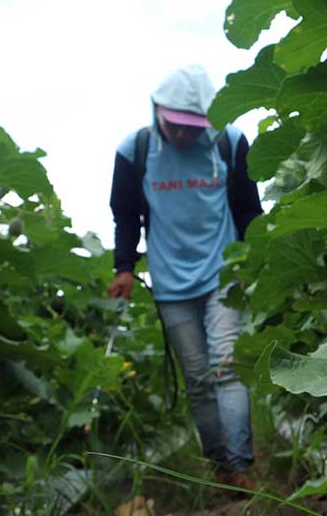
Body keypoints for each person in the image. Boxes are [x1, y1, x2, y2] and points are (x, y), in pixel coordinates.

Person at [108, 65, 263, 490]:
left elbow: (249, 209)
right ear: (158, 110)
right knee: (197, 380)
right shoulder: (136, 151)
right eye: (175, 126)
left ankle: (241, 467)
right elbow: (126, 215)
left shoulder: (229, 144)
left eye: (194, 128)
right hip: (170, 284)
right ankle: (219, 468)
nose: (183, 136)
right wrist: (124, 268)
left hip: (223, 275)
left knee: (227, 369)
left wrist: (255, 259)